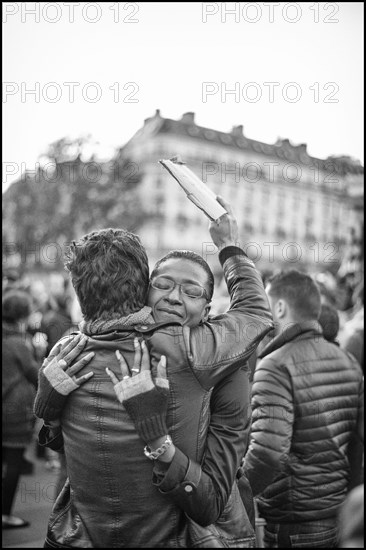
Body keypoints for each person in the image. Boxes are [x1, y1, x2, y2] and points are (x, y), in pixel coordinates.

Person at [34, 196, 273, 547]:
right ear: (143, 290)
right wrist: (229, 245)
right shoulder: (72, 351)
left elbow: (210, 500)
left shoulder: (217, 362)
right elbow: (255, 312)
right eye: (162, 285)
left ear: (208, 310)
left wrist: (156, 439)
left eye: (191, 292)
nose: (175, 298)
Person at [242, 269, 364, 548]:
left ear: (280, 307)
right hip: (336, 515)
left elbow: (268, 452)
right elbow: (357, 446)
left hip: (293, 522)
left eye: (266, 303)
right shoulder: (347, 360)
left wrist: (236, 494)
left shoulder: (274, 365)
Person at [2, 290, 39, 529]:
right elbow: (35, 373)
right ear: (23, 314)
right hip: (13, 410)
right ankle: (5, 514)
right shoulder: (18, 342)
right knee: (13, 461)